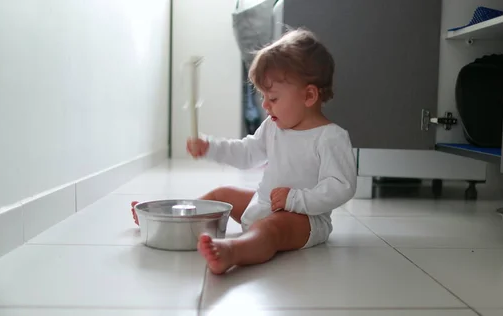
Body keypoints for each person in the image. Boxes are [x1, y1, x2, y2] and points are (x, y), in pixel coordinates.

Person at [132, 28, 357, 275]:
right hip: (264, 204)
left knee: (271, 230)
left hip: (303, 219)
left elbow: (341, 186)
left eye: (273, 97)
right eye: (263, 96)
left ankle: (233, 251)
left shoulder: (330, 137)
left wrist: (295, 199)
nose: (264, 104)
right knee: (222, 194)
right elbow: (247, 153)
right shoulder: (273, 126)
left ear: (309, 95)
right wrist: (210, 147)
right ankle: (171, 223)